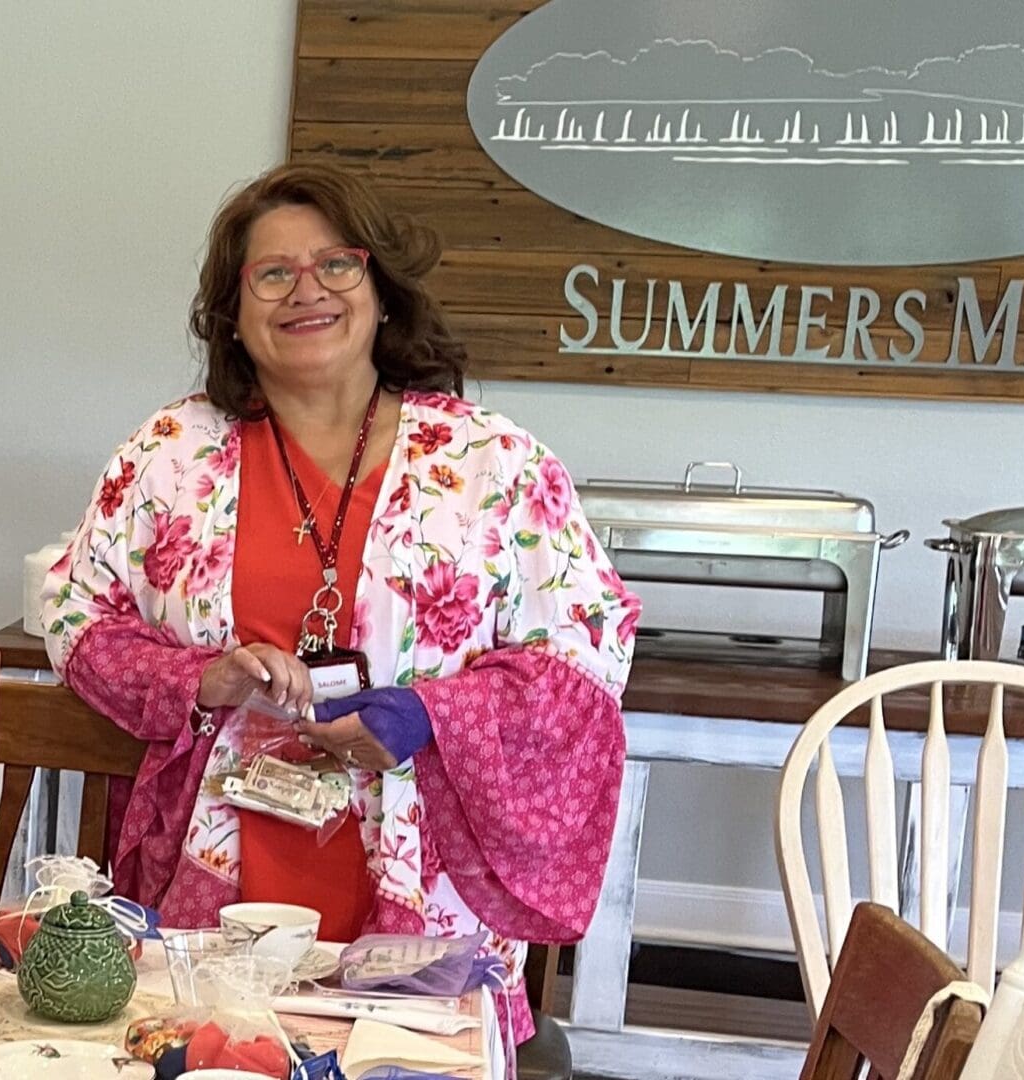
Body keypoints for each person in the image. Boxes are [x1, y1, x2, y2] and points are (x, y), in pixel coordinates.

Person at [40, 162, 641, 1062]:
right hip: (222, 863)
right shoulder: (170, 454)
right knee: (214, 1059)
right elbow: (77, 615)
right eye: (271, 274)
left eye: (336, 265)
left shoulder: (492, 465)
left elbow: (589, 652)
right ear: (233, 315)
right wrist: (197, 678)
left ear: (383, 291)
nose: (305, 291)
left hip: (419, 876)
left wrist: (425, 715)